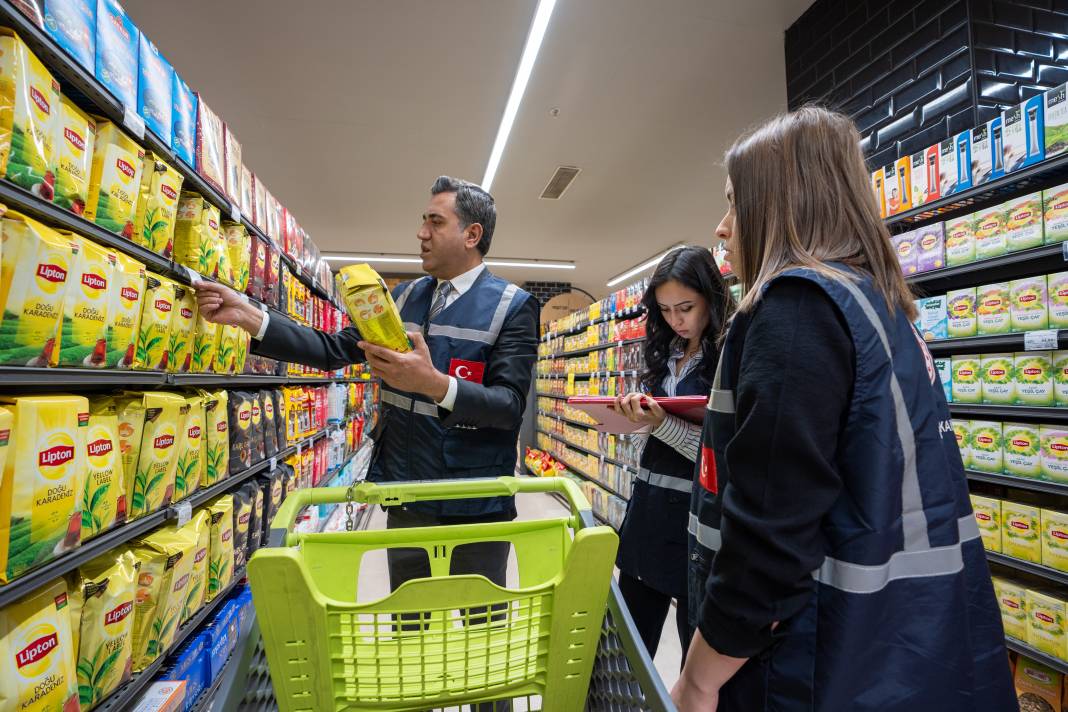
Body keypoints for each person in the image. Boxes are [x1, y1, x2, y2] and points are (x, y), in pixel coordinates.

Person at [672, 108, 1016, 710]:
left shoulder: (795, 309)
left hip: (812, 660)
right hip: (906, 644)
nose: (723, 228)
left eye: (734, 203)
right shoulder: (879, 305)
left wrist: (698, 677)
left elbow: (769, 538)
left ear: (779, 203)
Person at [194, 176, 540, 602]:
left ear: (472, 234)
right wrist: (251, 317)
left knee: (479, 627)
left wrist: (434, 385)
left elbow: (508, 407)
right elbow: (331, 349)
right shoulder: (400, 297)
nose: (421, 233)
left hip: (477, 503)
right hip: (408, 496)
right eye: (423, 220)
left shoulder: (514, 306)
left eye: (435, 221)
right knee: (409, 621)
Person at [612, 246, 731, 662]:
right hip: (646, 513)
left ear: (711, 299)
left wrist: (662, 424)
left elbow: (722, 453)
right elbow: (654, 439)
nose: (675, 320)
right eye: (664, 310)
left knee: (691, 657)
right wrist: (630, 421)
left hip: (694, 524)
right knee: (625, 650)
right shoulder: (665, 356)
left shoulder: (728, 358)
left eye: (686, 307)